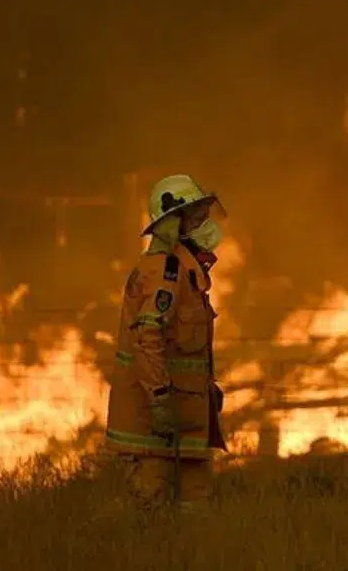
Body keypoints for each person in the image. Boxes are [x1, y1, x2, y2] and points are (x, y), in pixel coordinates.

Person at [104, 173, 229, 514]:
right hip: (155, 424)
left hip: (185, 419)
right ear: (172, 224)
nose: (205, 225)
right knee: (148, 513)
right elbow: (149, 338)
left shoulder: (187, 272)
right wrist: (159, 400)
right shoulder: (165, 272)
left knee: (195, 513)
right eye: (195, 217)